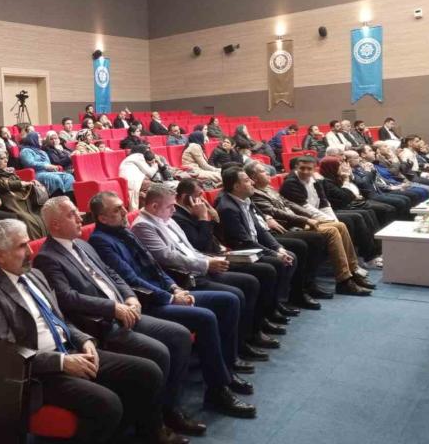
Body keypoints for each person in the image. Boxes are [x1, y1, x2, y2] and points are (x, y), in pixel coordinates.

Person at [33, 197, 224, 436]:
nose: (80, 218)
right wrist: (113, 308)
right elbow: (68, 298)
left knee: (180, 336)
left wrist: (129, 297)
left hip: (126, 311)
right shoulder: (47, 257)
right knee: (159, 352)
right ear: (55, 224)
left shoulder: (82, 244)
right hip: (101, 323)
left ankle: (169, 408)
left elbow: (111, 273)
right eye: (72, 214)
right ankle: (153, 426)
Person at [0, 218, 172, 444]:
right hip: (41, 374)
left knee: (148, 372)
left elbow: (60, 319)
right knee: (109, 404)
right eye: (22, 246)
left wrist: (84, 340)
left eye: (28, 243)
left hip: (72, 350)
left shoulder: (35, 275)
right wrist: (61, 362)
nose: (30, 251)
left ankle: (150, 435)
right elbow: (8, 355)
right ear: (0, 255)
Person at [88, 192, 256, 422]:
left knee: (229, 301)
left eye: (123, 206)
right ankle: (218, 390)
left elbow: (155, 267)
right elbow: (130, 279)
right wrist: (169, 298)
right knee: (205, 317)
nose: (126, 211)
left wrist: (174, 288)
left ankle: (225, 370)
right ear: (103, 218)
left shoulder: (124, 231)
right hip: (148, 302)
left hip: (165, 292)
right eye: (117, 209)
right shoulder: (101, 241)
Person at [156, 181, 279, 357]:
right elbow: (200, 244)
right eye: (198, 196)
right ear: (185, 197)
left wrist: (212, 218)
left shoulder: (177, 216)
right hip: (196, 269)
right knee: (251, 281)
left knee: (258, 276)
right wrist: (203, 219)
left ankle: (255, 329)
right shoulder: (178, 218)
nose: (202, 200)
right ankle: (244, 340)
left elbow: (200, 246)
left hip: (210, 257)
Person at [246, 161, 368, 298]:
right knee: (331, 231)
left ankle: (353, 270)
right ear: (253, 177)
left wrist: (310, 216)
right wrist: (306, 219)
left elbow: (289, 204)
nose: (268, 173)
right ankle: (343, 280)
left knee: (340, 225)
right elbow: (276, 212)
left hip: (297, 221)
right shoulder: (255, 193)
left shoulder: (268, 188)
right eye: (263, 171)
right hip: (288, 226)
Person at [214, 167, 303, 317]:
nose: (252, 182)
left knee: (289, 254)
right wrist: (274, 254)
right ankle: (268, 310)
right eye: (247, 180)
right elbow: (244, 241)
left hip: (254, 246)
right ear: (236, 186)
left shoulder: (245, 199)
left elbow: (260, 230)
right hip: (241, 252)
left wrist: (278, 248)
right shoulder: (227, 208)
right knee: (275, 264)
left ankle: (276, 302)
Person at [280, 156, 382, 278]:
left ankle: (353, 265)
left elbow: (324, 203)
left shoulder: (315, 179)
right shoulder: (290, 183)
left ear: (314, 169)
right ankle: (347, 268)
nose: (306, 171)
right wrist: (328, 220)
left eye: (309, 169)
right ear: (296, 167)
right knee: (343, 224)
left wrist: (333, 219)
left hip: (317, 213)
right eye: (302, 168)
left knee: (342, 223)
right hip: (302, 220)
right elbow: (304, 208)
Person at [0, 148, 46, 240]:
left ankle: (45, 239)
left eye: (6, 158)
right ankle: (34, 243)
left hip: (22, 199)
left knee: (41, 213)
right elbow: (0, 184)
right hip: (10, 201)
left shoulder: (7, 171)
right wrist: (21, 183)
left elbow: (19, 182)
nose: (6, 160)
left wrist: (31, 183)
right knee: (25, 219)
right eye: (2, 158)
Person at [318, 156, 395, 228]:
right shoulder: (327, 182)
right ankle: (374, 237)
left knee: (388, 208)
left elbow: (353, 190)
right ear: (332, 168)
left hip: (355, 201)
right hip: (343, 206)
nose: (342, 167)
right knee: (367, 213)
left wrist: (349, 177)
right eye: (339, 165)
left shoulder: (337, 177)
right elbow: (345, 196)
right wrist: (346, 180)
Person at [346, 149, 411, 220]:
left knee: (406, 199)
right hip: (370, 196)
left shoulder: (359, 168)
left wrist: (373, 170)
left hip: (378, 192)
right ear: (349, 161)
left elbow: (373, 180)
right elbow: (363, 183)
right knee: (399, 203)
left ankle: (407, 220)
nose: (360, 159)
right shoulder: (351, 172)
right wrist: (368, 171)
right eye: (356, 157)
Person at [356, 144, 425, 206]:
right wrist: (392, 187)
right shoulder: (365, 167)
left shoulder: (374, 163)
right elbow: (391, 174)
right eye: (370, 151)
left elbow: (383, 178)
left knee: (422, 190)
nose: (374, 152)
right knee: (411, 196)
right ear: (363, 155)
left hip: (394, 183)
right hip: (382, 190)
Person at [18, 132, 75, 199]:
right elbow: (29, 163)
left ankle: (68, 198)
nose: (41, 139)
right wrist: (45, 166)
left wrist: (52, 167)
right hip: (36, 173)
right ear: (32, 139)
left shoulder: (42, 151)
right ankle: (58, 200)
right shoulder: (26, 151)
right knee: (55, 178)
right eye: (39, 137)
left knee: (69, 177)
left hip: (47, 172)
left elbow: (48, 163)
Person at [119, 146, 162, 211]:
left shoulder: (130, 158)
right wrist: (155, 164)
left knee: (147, 194)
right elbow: (150, 173)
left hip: (132, 183)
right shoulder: (138, 156)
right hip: (135, 182)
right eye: (147, 151)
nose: (148, 153)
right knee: (162, 189)